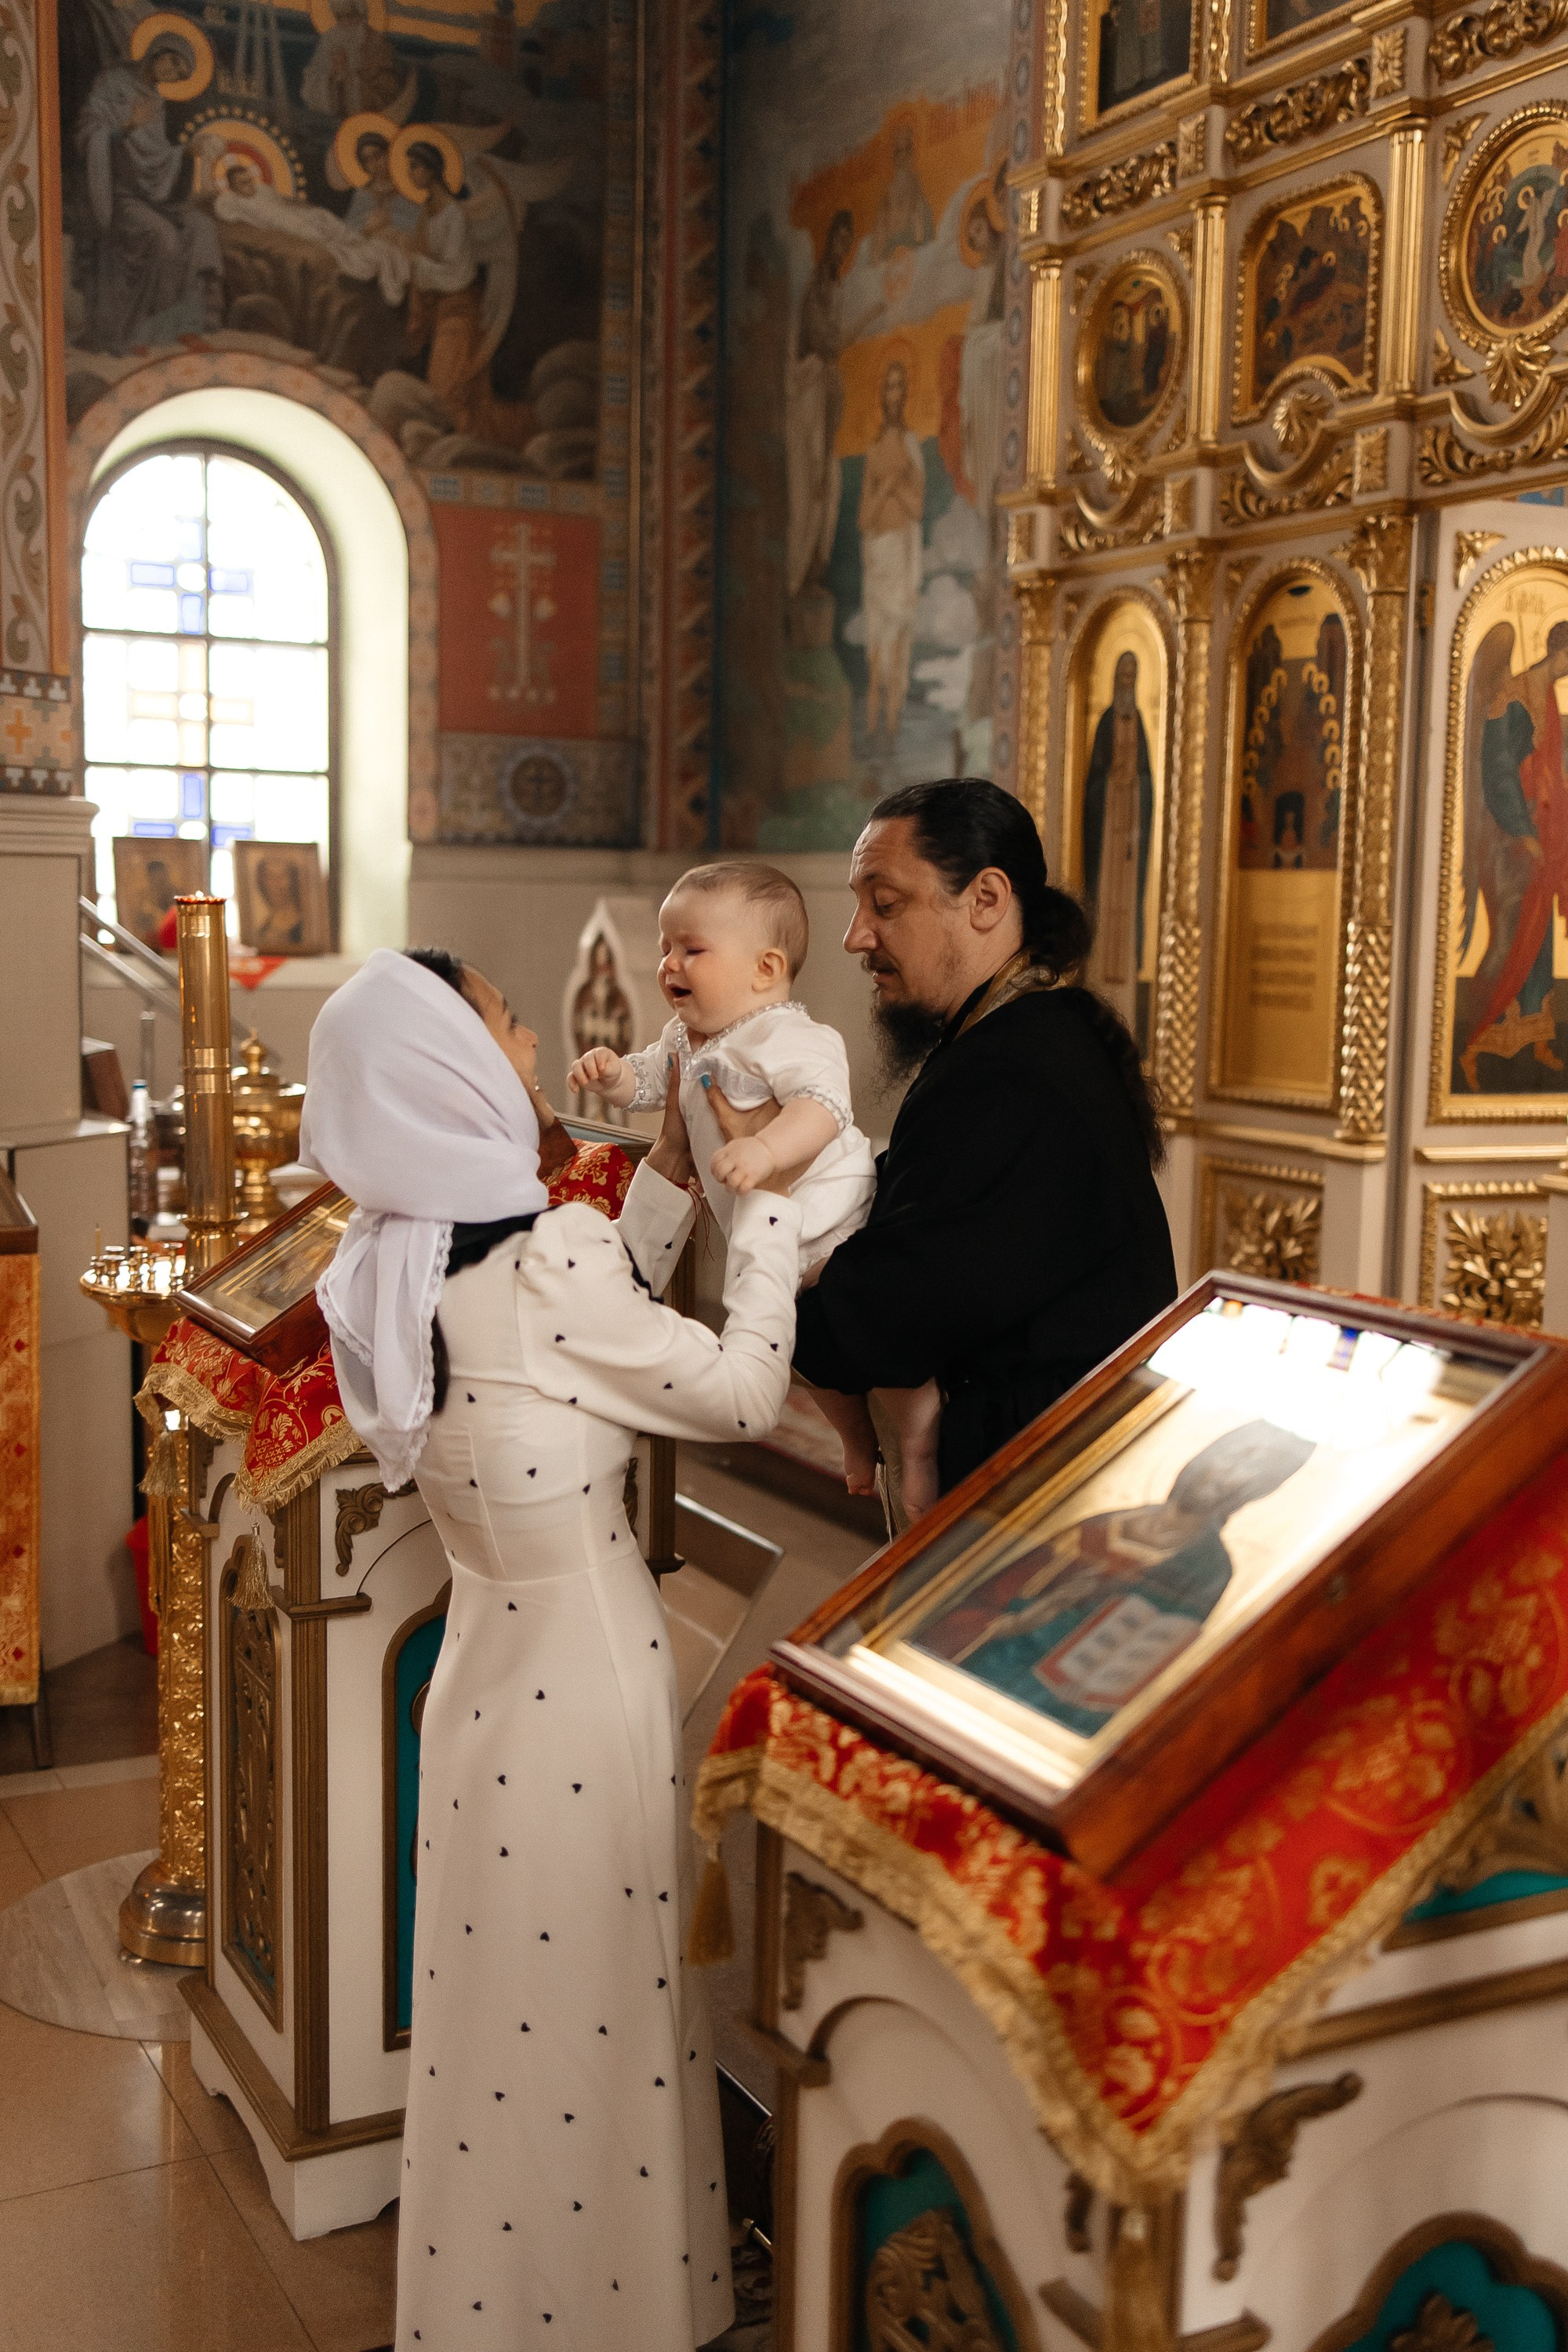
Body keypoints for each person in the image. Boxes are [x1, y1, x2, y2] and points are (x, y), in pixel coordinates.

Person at [299, 946, 808, 2352]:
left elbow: (571, 1332)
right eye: (502, 1012)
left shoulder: (387, 1264)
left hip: (479, 1688)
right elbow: (739, 1392)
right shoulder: (548, 1261)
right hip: (586, 1688)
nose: (525, 1030)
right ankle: (620, 2317)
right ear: (452, 1057)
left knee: (508, 2037)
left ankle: (502, 2315)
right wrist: (765, 1229)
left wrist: (664, 1176)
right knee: (604, 2019)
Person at [790, 776, 1178, 1501]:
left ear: (987, 900)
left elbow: (894, 1313)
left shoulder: (1016, 1071)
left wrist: (787, 1299)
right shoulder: (1018, 1036)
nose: (856, 936)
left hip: (1042, 1493)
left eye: (885, 903)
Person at [564, 863, 945, 1512]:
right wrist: (612, 1078)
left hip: (830, 1214)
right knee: (792, 1344)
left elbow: (823, 1108)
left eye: (692, 950)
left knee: (864, 1341)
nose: (670, 965)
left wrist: (766, 1150)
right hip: (770, 1228)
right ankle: (855, 1438)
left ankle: (917, 1436)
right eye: (665, 949)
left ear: (765, 970)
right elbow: (650, 1086)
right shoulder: (683, 1037)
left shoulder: (792, 1036)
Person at [914, 1420, 1315, 1734]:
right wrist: (1015, 1622)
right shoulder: (1103, 1526)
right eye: (1237, 1457)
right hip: (983, 1669)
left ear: (1260, 1490)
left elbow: (1146, 1663)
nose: (1233, 1476)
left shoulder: (1208, 1567)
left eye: (1257, 1472)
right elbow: (988, 1600)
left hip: (1062, 1709)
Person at [858, 358, 925, 744]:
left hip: (902, 557)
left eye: (900, 386)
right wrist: (887, 485)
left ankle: (892, 729)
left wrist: (898, 481)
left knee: (899, 651)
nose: (894, 394)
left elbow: (916, 509)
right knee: (875, 657)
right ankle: (870, 732)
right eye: (889, 386)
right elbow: (865, 518)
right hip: (878, 560)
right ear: (882, 396)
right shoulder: (873, 452)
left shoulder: (911, 447)